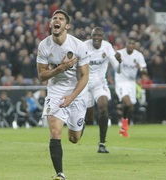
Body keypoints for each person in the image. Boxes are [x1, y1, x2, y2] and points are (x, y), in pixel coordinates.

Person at [36, 10, 90, 180]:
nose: (56, 21)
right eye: (54, 19)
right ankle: (60, 174)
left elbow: (84, 76)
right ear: (51, 24)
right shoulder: (44, 46)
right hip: (56, 91)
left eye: (60, 19)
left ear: (67, 26)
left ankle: (80, 126)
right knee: (55, 132)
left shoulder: (79, 46)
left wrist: (72, 97)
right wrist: (60, 68)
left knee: (74, 138)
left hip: (77, 92)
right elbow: (42, 75)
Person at [83, 27, 122, 153]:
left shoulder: (107, 46)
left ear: (102, 37)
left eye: (99, 35)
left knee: (103, 107)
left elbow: (118, 69)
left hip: (100, 83)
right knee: (89, 118)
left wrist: (119, 62)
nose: (96, 38)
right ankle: (81, 123)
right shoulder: (84, 46)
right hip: (85, 84)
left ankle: (102, 143)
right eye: (94, 35)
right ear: (91, 36)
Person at [115, 37, 147, 137]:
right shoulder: (119, 53)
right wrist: (110, 76)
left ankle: (124, 128)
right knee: (128, 104)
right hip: (121, 82)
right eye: (129, 43)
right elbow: (114, 66)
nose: (130, 45)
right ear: (126, 44)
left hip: (132, 83)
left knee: (131, 107)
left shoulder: (138, 55)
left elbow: (144, 70)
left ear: (134, 45)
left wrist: (141, 69)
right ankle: (124, 126)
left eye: (132, 44)